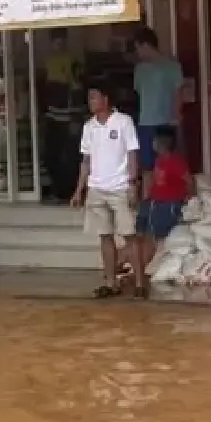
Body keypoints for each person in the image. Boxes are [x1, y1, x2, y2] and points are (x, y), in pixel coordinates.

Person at [71, 83, 140, 298]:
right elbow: (86, 160)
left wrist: (133, 183)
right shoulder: (89, 126)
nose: (91, 102)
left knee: (129, 236)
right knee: (105, 237)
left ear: (106, 99)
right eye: (89, 98)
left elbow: (132, 154)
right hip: (96, 188)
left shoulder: (123, 122)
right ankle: (111, 283)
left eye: (94, 97)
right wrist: (79, 190)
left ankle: (139, 283)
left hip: (120, 187)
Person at [135, 126, 190, 298]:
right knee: (140, 236)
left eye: (154, 140)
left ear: (161, 142)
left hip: (166, 205)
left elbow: (188, 179)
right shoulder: (159, 160)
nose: (152, 143)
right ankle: (134, 269)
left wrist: (189, 198)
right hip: (153, 203)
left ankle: (139, 273)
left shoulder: (175, 162)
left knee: (150, 239)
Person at [130, 26, 185, 185]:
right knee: (147, 166)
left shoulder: (171, 66)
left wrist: (176, 116)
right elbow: (139, 93)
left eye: (138, 48)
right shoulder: (139, 69)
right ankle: (149, 201)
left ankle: (168, 198)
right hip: (145, 122)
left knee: (167, 163)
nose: (138, 53)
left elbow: (178, 93)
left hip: (166, 122)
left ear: (146, 45)